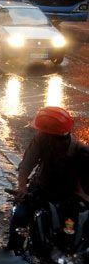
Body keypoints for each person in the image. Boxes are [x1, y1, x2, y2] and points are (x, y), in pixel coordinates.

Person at [7, 107, 89, 252]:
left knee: (76, 226)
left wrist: (83, 195)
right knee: (19, 214)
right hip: (41, 188)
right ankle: (13, 250)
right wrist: (22, 188)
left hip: (69, 194)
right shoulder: (40, 141)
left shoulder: (80, 150)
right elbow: (26, 166)